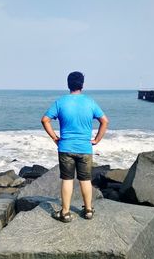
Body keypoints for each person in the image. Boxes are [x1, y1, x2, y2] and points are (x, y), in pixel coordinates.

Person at [41, 71, 109, 223]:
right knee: (85, 180)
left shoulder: (61, 102)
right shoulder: (90, 102)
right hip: (84, 148)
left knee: (67, 179)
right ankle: (88, 210)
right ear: (82, 85)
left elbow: (45, 120)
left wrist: (55, 138)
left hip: (65, 147)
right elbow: (105, 121)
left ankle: (65, 213)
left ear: (68, 84)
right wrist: (97, 139)